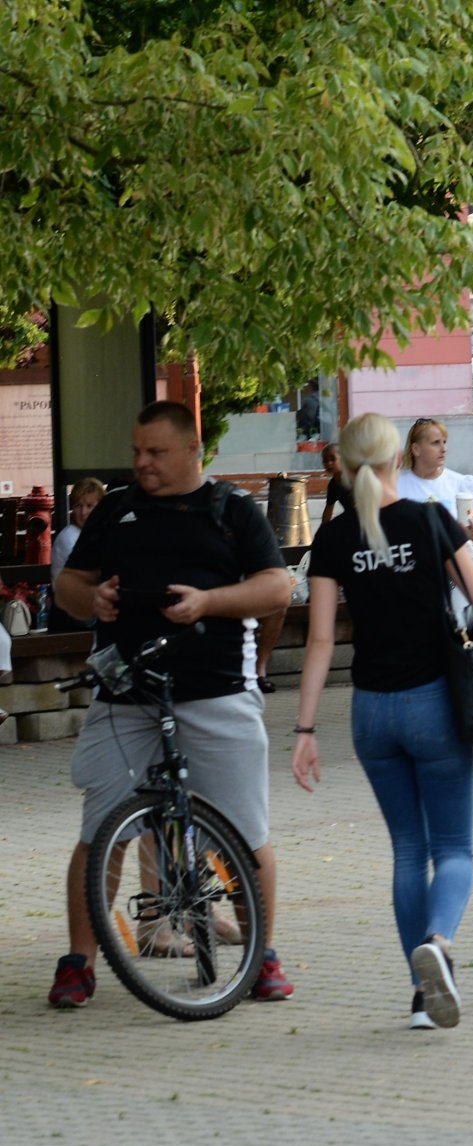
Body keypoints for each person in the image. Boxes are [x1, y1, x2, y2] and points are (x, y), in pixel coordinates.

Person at [50, 400, 295, 1008]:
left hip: (215, 691)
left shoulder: (231, 510)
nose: (142, 463)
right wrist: (95, 598)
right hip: (125, 691)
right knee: (100, 828)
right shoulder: (116, 508)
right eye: (136, 451)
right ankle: (79, 962)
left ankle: (262, 955)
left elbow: (277, 586)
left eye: (155, 452)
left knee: (244, 831)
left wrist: (209, 603)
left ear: (192, 451)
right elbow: (68, 585)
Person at [292, 413, 473, 1029]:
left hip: (371, 713)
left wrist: (304, 731)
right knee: (455, 849)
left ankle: (420, 997)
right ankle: (438, 945)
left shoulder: (332, 540)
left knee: (408, 851)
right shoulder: (429, 520)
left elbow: (321, 641)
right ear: (394, 460)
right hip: (433, 702)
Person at [398, 418, 473, 544]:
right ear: (416, 449)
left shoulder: (461, 484)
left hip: (454, 561)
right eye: (435, 443)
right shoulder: (396, 485)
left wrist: (470, 534)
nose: (443, 449)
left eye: (444, 442)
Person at [46, 477, 106, 632]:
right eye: (78, 506)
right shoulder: (70, 537)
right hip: (71, 617)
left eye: (89, 506)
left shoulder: (95, 535)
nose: (83, 512)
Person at [317, 442, 352, 525]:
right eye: (325, 460)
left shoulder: (353, 479)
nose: (329, 463)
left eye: (333, 459)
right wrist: (323, 531)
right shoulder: (333, 485)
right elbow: (328, 509)